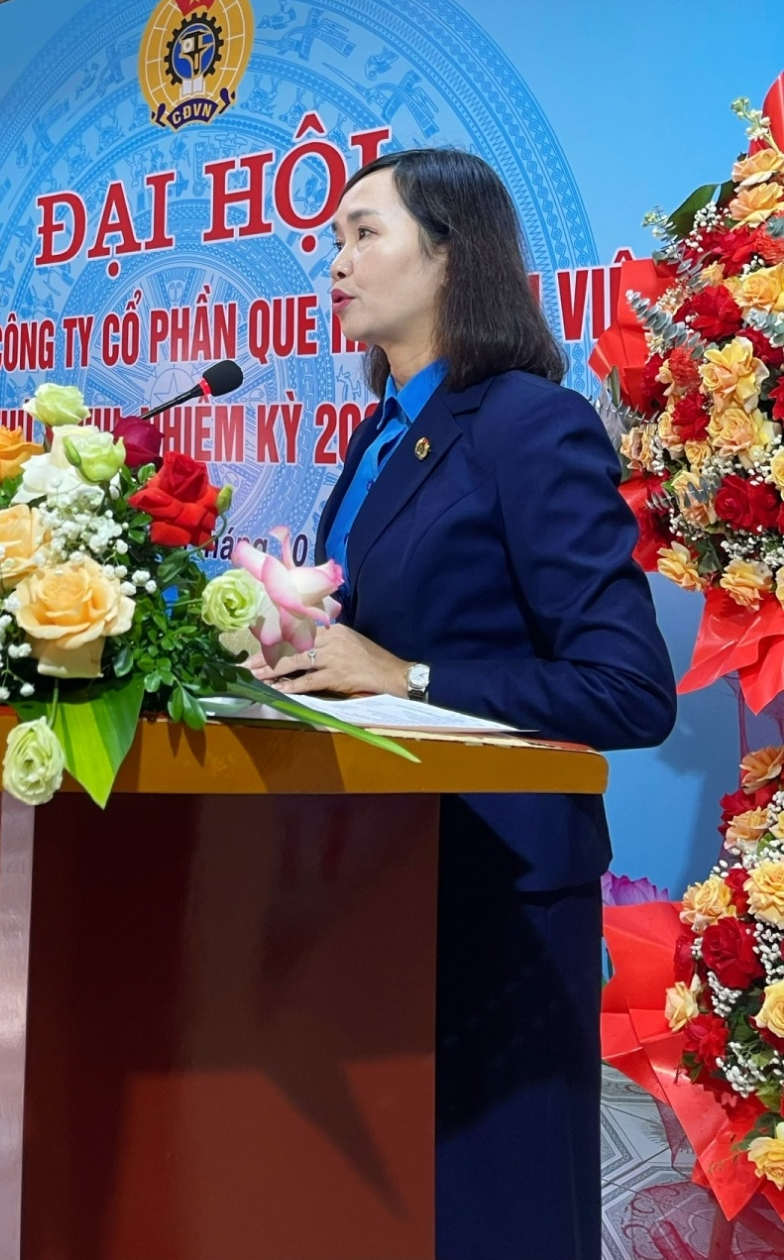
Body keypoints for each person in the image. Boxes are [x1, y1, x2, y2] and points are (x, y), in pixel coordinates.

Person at [255, 147, 676, 1260]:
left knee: (497, 1212)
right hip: (385, 872)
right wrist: (289, 646)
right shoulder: (382, 430)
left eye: (364, 233)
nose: (333, 261)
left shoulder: (530, 423)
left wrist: (407, 677)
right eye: (333, 238)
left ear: (450, 256)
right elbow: (377, 635)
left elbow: (628, 687)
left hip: (498, 887)